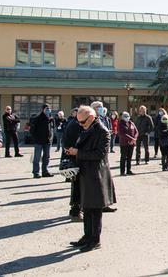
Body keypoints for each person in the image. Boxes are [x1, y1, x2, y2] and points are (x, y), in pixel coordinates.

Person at [65, 105, 116, 252]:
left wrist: (77, 152)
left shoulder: (102, 131)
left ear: (92, 118)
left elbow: (100, 155)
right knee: (86, 207)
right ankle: (87, 236)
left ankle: (95, 240)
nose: (80, 125)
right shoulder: (86, 128)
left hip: (96, 175)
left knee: (95, 210)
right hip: (85, 173)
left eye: (82, 122)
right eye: (78, 122)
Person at [63, 107, 83, 221]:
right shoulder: (75, 125)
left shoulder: (76, 124)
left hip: (79, 158)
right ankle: (75, 211)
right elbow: (67, 144)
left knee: (78, 186)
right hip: (77, 159)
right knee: (78, 187)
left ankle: (77, 209)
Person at [30, 104, 54, 179]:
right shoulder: (37, 118)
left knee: (46, 157)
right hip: (39, 141)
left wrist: (51, 138)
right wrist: (35, 138)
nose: (48, 110)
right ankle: (36, 172)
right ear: (43, 109)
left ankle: (45, 171)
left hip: (47, 141)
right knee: (37, 157)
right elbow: (32, 130)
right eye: (47, 108)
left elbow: (52, 129)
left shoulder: (50, 119)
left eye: (49, 109)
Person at [117, 111, 138, 176]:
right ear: (122, 117)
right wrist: (131, 139)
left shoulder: (131, 123)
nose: (127, 117)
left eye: (128, 116)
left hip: (132, 144)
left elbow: (136, 131)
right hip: (124, 143)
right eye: (125, 116)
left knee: (129, 157)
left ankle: (129, 170)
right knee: (123, 157)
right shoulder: (120, 124)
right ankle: (122, 172)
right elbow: (122, 134)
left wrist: (134, 139)